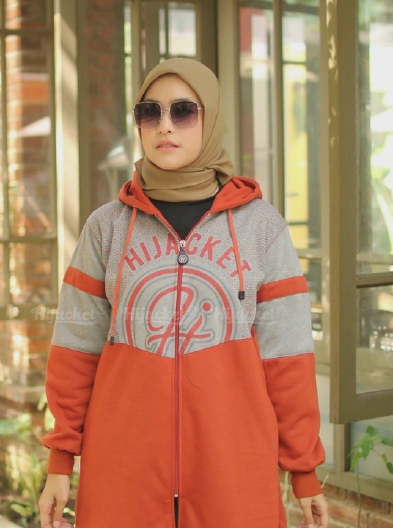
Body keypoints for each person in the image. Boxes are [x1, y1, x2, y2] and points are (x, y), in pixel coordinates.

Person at [38, 58, 329, 528]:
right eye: (149, 112)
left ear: (210, 118)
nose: (165, 126)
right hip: (123, 469)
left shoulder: (261, 227)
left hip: (231, 468)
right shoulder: (106, 228)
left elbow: (287, 356)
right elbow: (75, 350)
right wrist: (60, 461)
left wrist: (304, 470)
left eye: (183, 111)